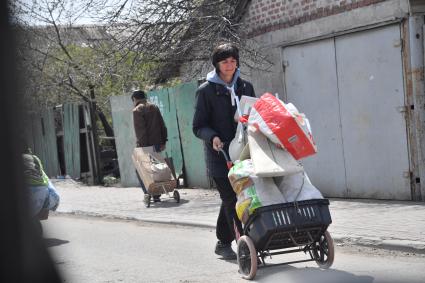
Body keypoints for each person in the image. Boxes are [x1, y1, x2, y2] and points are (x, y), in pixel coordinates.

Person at [192, 43, 256, 260]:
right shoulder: (206, 91)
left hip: (244, 152)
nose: (229, 65)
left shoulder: (245, 87)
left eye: (232, 60)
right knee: (231, 199)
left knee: (233, 198)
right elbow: (198, 126)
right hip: (220, 155)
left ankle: (222, 242)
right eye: (224, 61)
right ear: (217, 65)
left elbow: (255, 115)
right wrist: (213, 137)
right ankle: (244, 246)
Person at [131, 89, 168, 202]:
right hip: (157, 144)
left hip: (145, 146)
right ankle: (158, 194)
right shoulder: (154, 107)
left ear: (135, 99)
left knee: (142, 170)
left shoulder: (137, 110)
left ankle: (150, 193)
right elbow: (163, 126)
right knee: (157, 169)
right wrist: (163, 141)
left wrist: (142, 148)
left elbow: (141, 132)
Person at [22, 148, 60, 218]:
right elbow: (42, 174)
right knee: (43, 175)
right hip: (41, 192)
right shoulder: (35, 158)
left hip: (26, 192)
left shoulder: (13, 158)